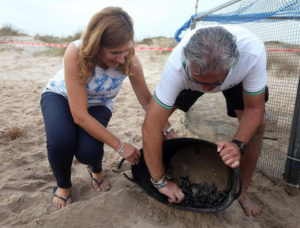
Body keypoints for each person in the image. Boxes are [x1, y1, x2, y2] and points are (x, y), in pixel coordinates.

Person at [40, 7, 170, 209]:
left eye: (126, 50)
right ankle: (63, 185)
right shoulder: (76, 52)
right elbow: (79, 115)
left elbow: (147, 101)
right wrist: (120, 146)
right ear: (96, 45)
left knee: (88, 151)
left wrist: (168, 130)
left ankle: (96, 168)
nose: (122, 58)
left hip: (100, 102)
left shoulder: (131, 60)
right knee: (61, 140)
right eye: (114, 52)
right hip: (61, 96)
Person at [142, 25, 268, 218]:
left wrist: (238, 144)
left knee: (258, 127)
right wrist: (160, 182)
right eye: (199, 82)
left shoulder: (252, 55)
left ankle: (242, 193)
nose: (204, 89)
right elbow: (150, 125)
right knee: (157, 116)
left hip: (235, 80)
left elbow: (254, 109)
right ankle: (164, 151)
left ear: (232, 66)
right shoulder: (177, 66)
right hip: (188, 79)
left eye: (211, 84)